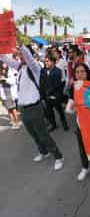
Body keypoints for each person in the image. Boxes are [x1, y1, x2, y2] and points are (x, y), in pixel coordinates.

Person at [0, 37, 64, 171]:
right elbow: (5, 59)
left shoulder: (34, 67)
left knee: (43, 134)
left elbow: (28, 56)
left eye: (21, 53)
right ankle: (43, 152)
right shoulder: (20, 67)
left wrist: (18, 40)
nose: (19, 55)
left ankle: (58, 157)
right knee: (33, 134)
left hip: (35, 107)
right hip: (23, 108)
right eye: (19, 54)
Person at [44, 54, 69, 132]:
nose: (46, 63)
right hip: (47, 95)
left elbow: (57, 85)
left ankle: (64, 123)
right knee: (50, 111)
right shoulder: (44, 70)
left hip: (56, 95)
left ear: (53, 62)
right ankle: (53, 124)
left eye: (47, 61)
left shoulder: (58, 71)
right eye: (45, 61)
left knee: (59, 110)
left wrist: (49, 93)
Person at [0, 62, 20, 129]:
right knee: (9, 109)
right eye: (2, 68)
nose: (3, 70)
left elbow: (13, 82)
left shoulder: (10, 73)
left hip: (10, 94)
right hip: (4, 95)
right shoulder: (0, 75)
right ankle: (13, 122)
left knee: (13, 109)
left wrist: (5, 79)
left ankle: (17, 123)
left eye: (4, 68)